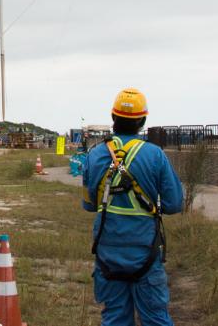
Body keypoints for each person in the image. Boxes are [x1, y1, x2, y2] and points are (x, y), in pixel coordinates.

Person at [81, 88, 183, 326]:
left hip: (107, 252)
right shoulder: (155, 155)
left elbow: (89, 204)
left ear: (113, 117)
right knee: (155, 318)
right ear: (143, 121)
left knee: (115, 317)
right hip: (145, 251)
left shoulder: (94, 155)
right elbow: (174, 204)